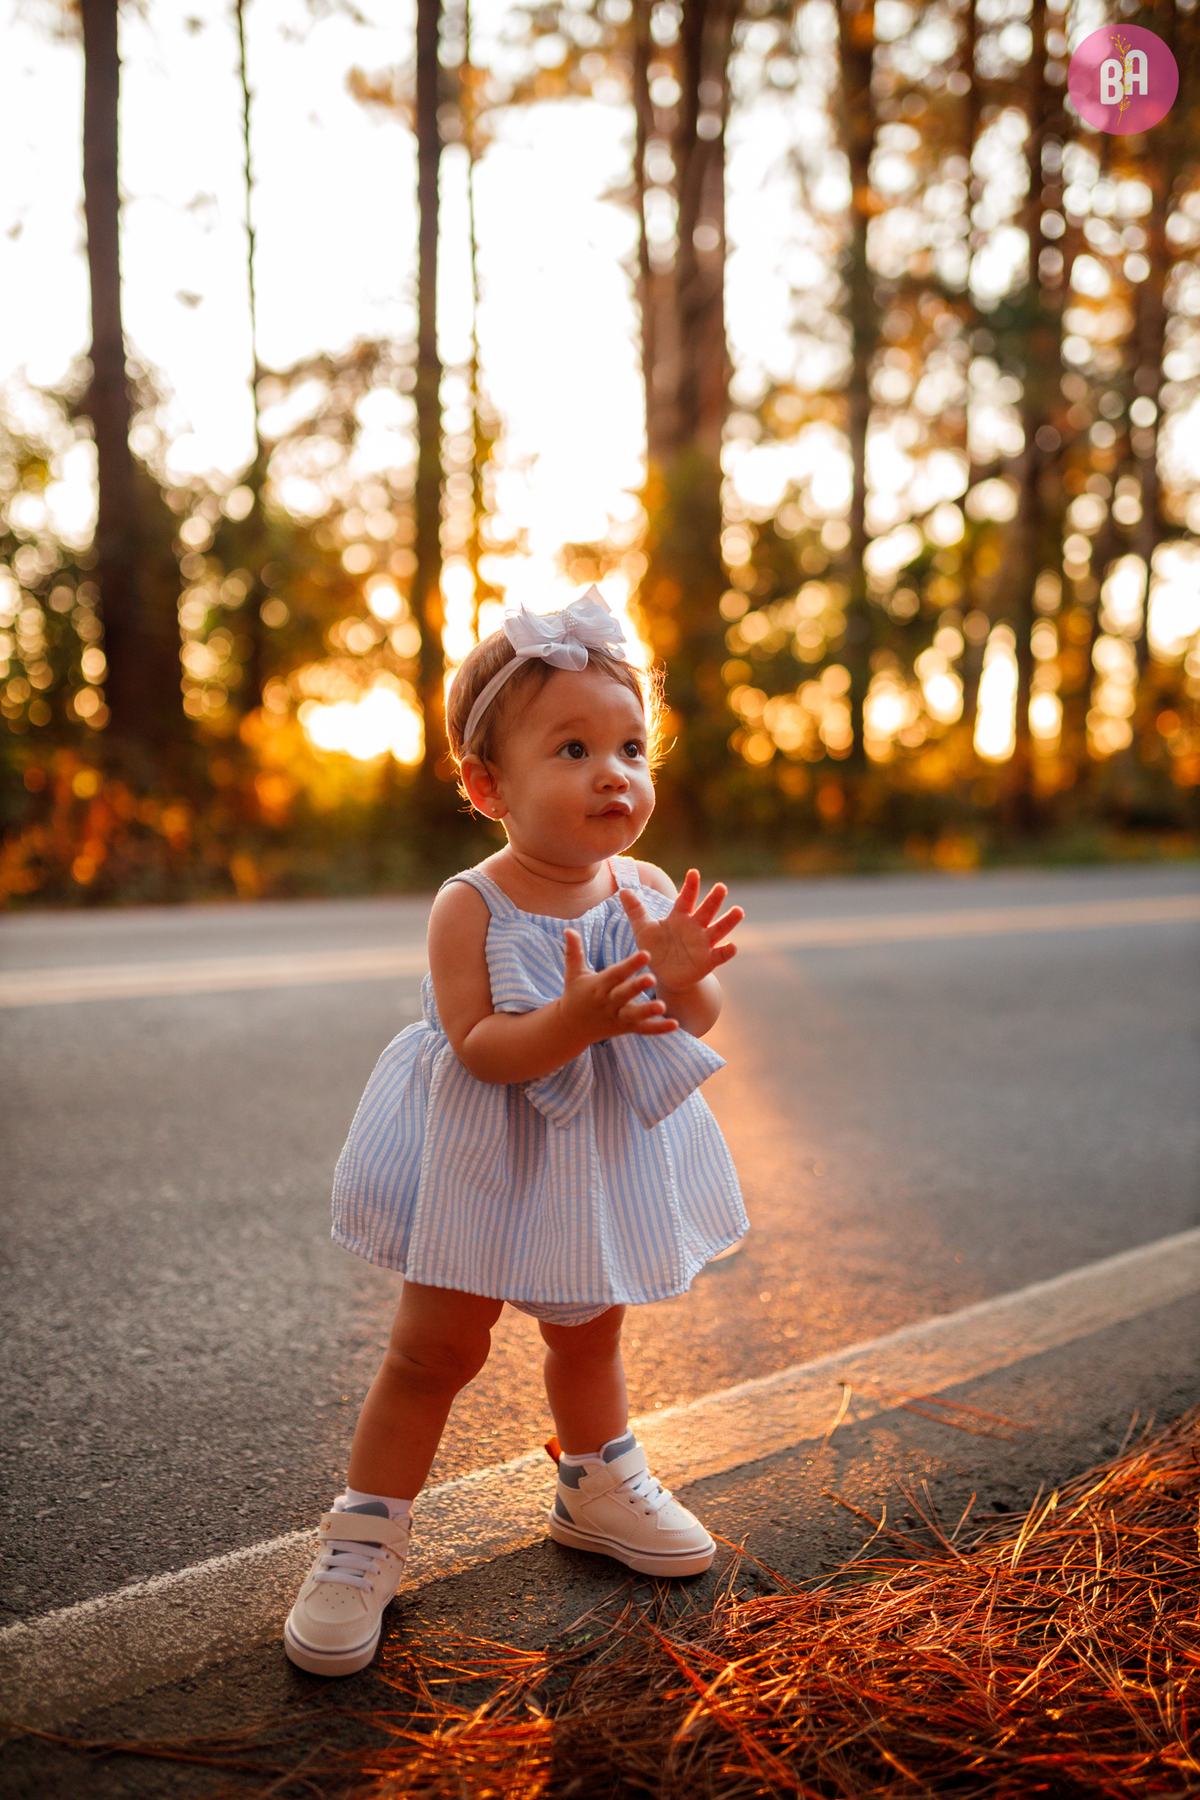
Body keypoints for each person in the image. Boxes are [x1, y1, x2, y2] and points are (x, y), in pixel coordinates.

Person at [284, 589, 748, 1676]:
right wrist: (575, 1019)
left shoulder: (640, 888)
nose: (613, 773)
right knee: (435, 1351)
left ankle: (596, 1482)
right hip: (485, 1157)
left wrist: (685, 978)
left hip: (593, 1155)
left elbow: (689, 1021)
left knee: (589, 1332)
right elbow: (482, 1047)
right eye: (574, 749)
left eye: (630, 747)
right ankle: (364, 1537)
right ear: (488, 785)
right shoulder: (472, 905)